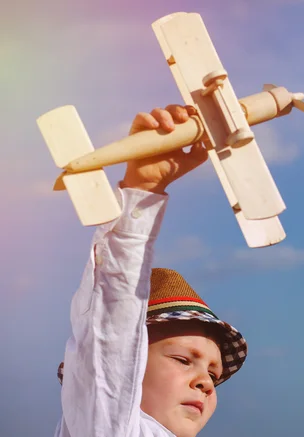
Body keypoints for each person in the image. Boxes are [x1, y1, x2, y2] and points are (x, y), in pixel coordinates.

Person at [53, 105, 248, 437]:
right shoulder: (109, 425)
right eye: (184, 360)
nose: (205, 382)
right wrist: (142, 191)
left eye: (214, 375)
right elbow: (112, 336)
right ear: (132, 363)